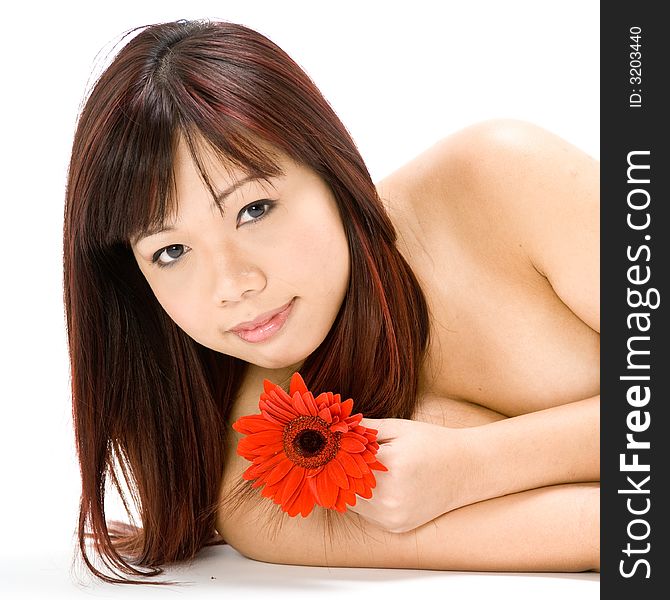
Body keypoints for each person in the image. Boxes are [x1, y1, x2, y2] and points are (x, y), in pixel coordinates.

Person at [63, 18, 599, 584]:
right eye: (171, 251)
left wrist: (474, 466)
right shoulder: (270, 484)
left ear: (330, 166)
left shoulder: (500, 180)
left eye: (254, 209)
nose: (232, 285)